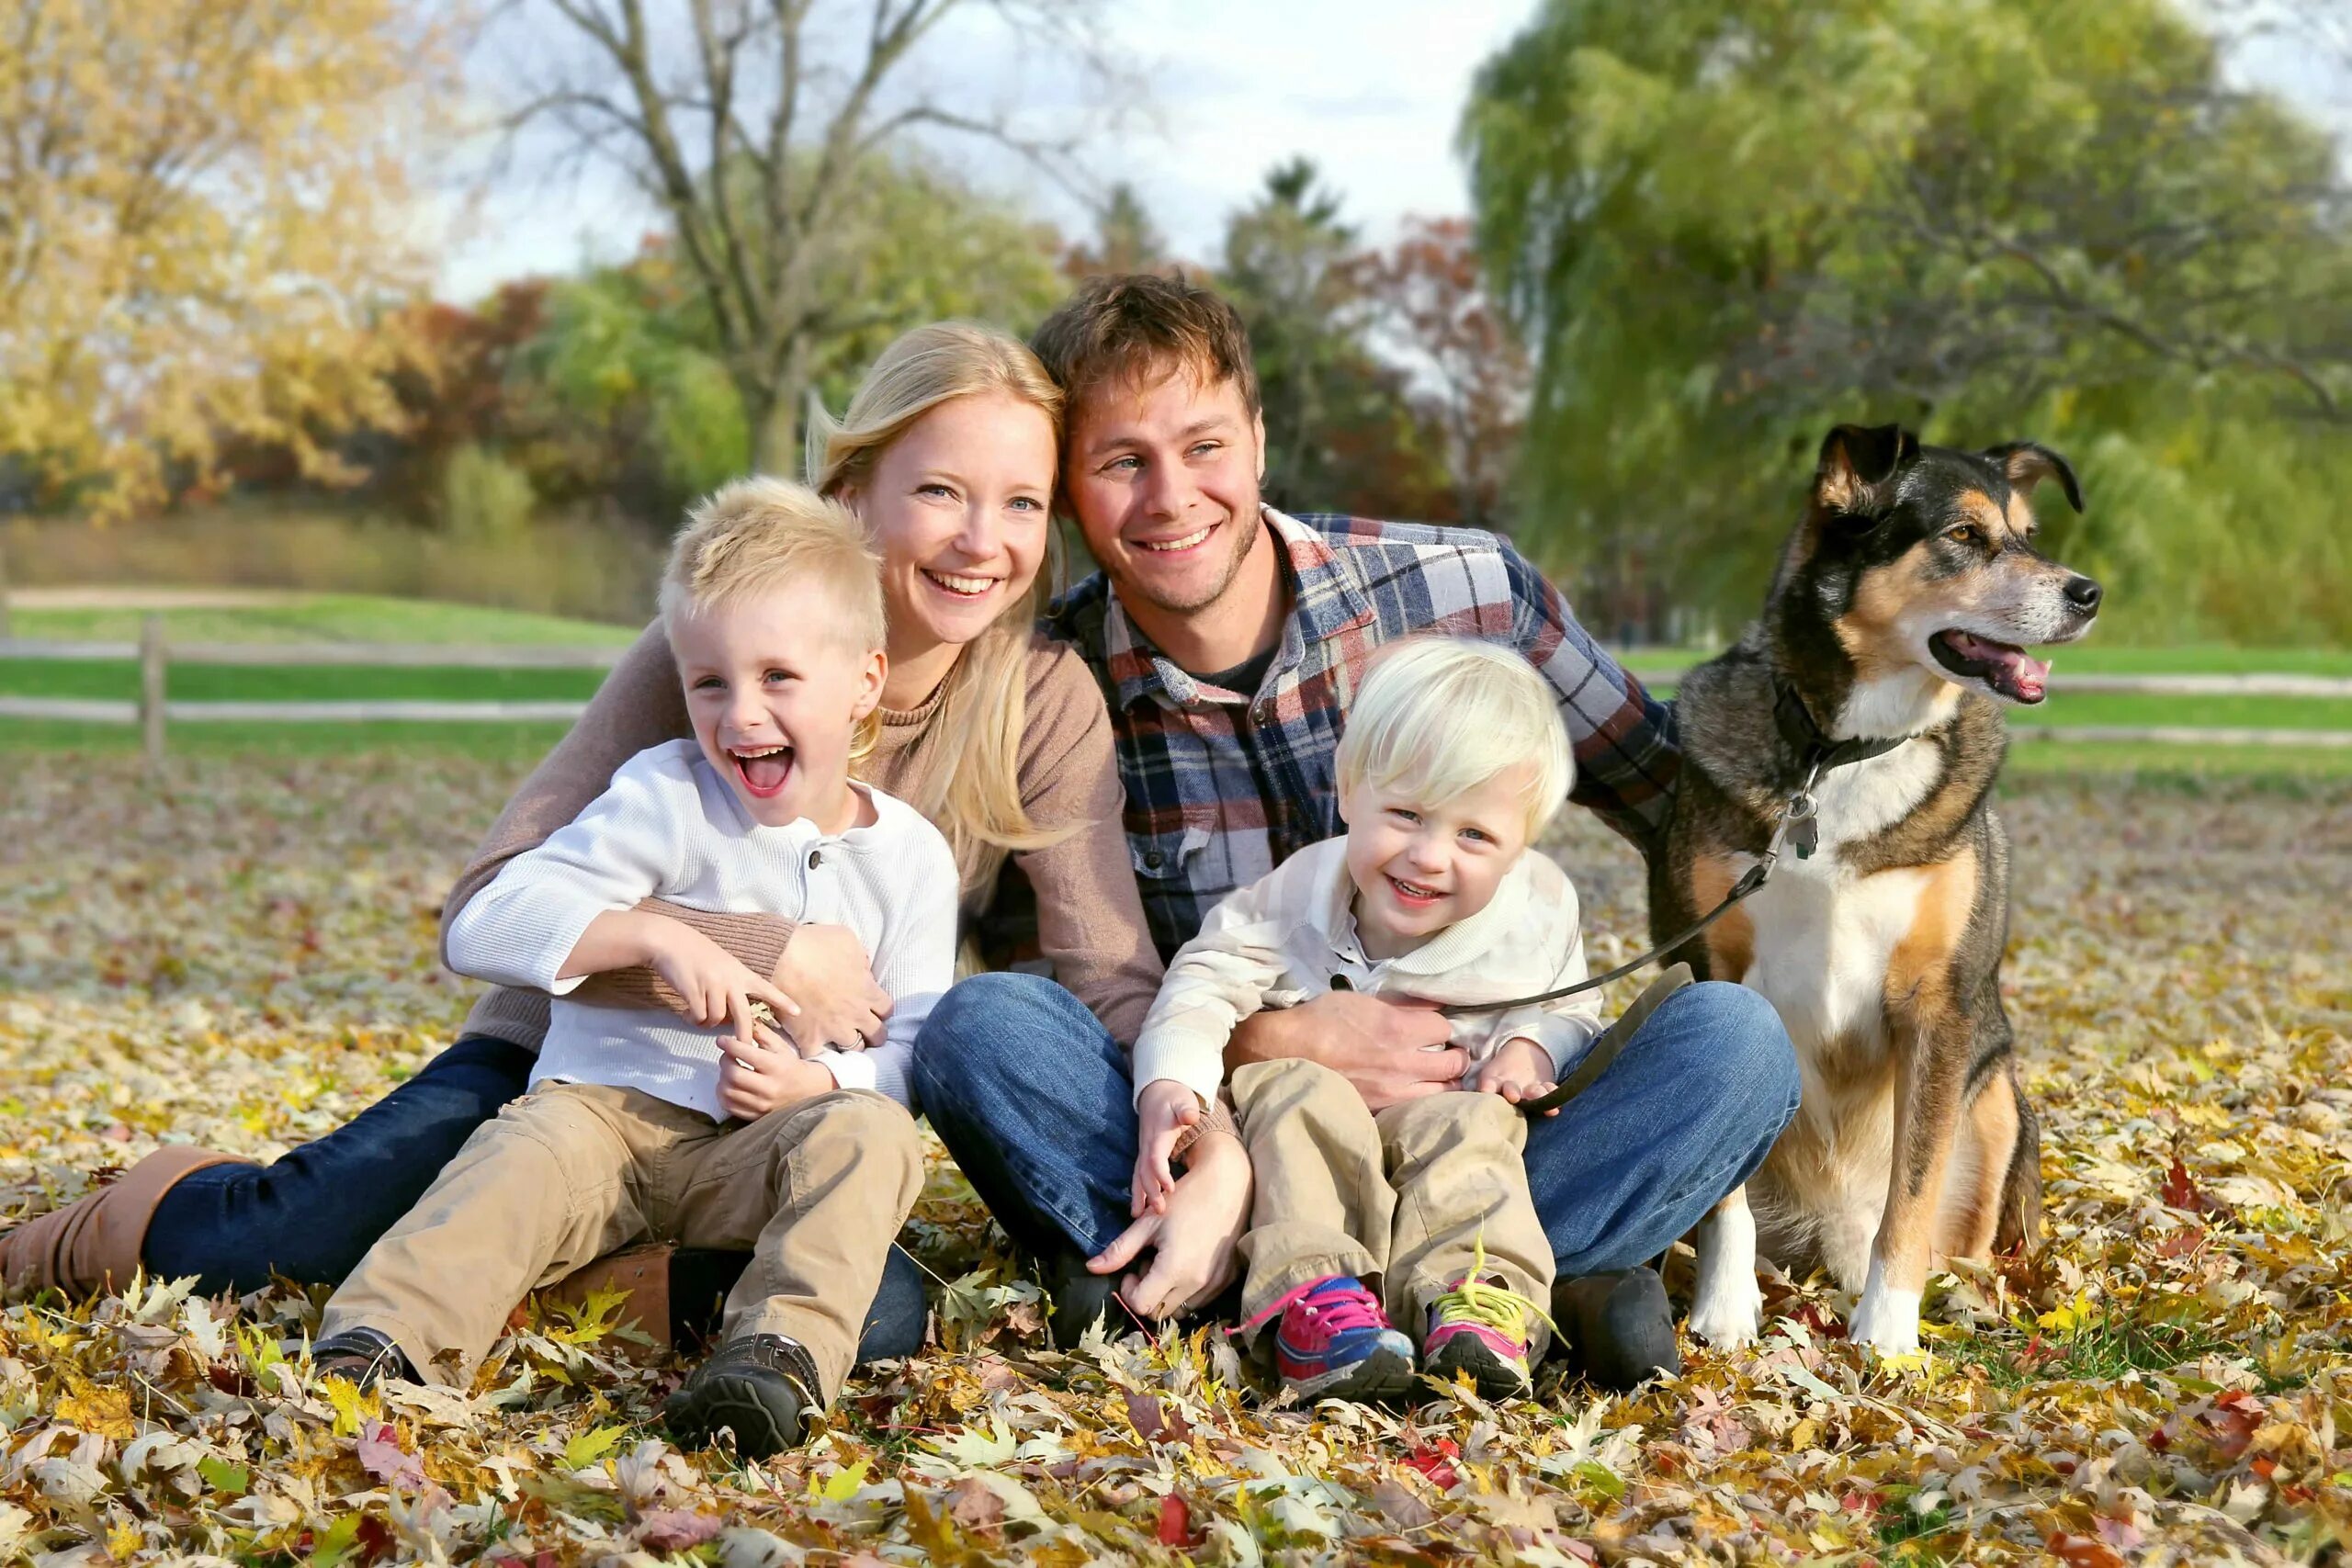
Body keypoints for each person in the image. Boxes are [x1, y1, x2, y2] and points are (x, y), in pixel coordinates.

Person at [0, 322, 1172, 1362]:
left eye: (1021, 503)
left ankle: (556, 1281)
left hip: (776, 1116)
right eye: (940, 493)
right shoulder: (710, 657)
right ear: (856, 491)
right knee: (293, 1238)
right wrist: (764, 949)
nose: (983, 540)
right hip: (568, 1067)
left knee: (876, 1318)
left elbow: (1100, 972)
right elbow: (494, 892)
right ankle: (129, 1217)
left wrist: (1189, 1119)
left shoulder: (1038, 696)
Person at [911, 274, 1804, 1388]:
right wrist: (1267, 1048)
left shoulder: (1468, 592)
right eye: (1120, 462)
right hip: (1222, 1149)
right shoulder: (1045, 688)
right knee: (983, 1027)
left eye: (1202, 446)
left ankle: (1295, 1292)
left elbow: (1687, 801)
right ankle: (1512, 1286)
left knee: (1737, 1043)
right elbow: (1052, 987)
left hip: (1489, 1139)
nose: (1170, 496)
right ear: (1070, 497)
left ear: (1258, 437)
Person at [311, 479, 952, 1459]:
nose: (740, 716)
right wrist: (657, 937)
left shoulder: (910, 856)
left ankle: (772, 1360)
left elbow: (915, 1049)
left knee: (870, 1141)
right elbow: (487, 923)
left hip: (759, 1150)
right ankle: (384, 1342)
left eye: (778, 677)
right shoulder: (663, 794)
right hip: (601, 1121)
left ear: (866, 680)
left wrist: (819, 1083)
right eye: (710, 683)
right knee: (513, 1161)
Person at [1134, 637, 1600, 1400]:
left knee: (1474, 1130)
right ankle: (1313, 1302)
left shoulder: (1538, 911)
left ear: (1521, 845)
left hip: (1443, 1120)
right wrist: (1172, 1084)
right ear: (1349, 791)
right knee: (1293, 1091)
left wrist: (1530, 1046)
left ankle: (1476, 1302)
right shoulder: (1291, 897)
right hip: (1309, 1139)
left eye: (1474, 834)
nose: (1428, 856)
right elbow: (1199, 981)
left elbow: (1570, 1006)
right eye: (1406, 814)